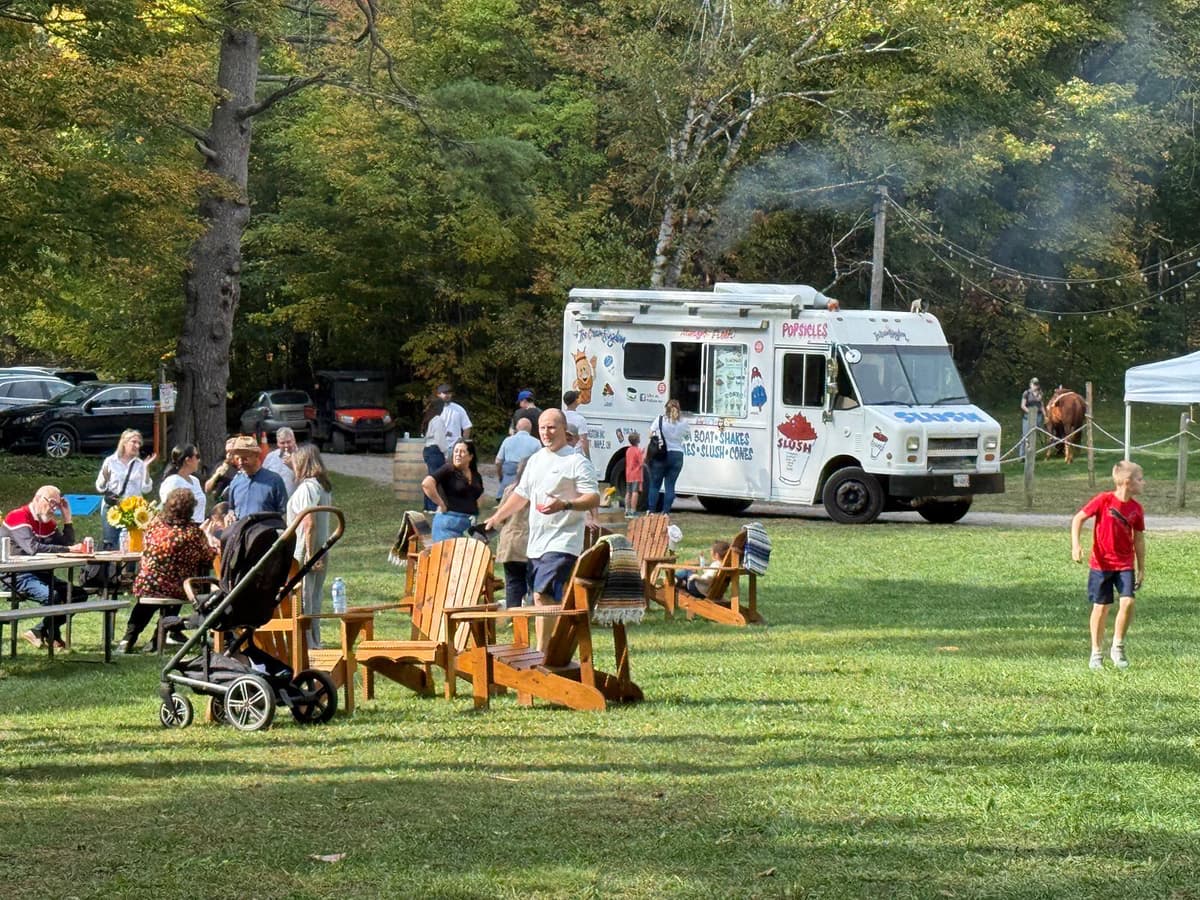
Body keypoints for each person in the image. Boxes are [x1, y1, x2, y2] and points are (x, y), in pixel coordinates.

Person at [483, 409, 600, 650]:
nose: (546, 432)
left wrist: (565, 504)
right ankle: (554, 651)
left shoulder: (576, 461)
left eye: (552, 427)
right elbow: (521, 495)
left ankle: (543, 654)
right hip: (535, 544)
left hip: (563, 542)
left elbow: (593, 497)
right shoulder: (536, 459)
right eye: (543, 428)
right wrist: (497, 517)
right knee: (545, 598)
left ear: (564, 429)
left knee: (542, 596)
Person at [121, 487, 217, 653]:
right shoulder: (193, 533)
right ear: (190, 509)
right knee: (182, 587)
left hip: (146, 585)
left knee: (146, 603)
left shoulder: (153, 527)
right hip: (175, 587)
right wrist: (209, 537)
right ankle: (158, 639)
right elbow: (208, 558)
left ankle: (127, 640)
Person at [1071, 460, 1146, 670]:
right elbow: (1078, 519)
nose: (1144, 483)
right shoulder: (1104, 500)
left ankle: (1118, 646)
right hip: (1101, 565)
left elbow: (1139, 539)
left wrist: (1141, 568)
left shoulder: (1137, 509)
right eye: (1140, 479)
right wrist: (1076, 546)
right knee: (1101, 607)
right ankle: (1096, 652)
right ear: (1127, 482)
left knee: (1128, 602)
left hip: (1125, 564)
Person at [0, 486, 85, 649]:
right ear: (38, 498)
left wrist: (67, 518)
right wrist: (68, 550)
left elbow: (66, 543)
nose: (54, 508)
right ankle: (51, 635)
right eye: (52, 503)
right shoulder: (18, 516)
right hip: (15, 575)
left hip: (40, 572)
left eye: (57, 505)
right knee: (53, 596)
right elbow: (32, 548)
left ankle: (39, 631)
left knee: (77, 594)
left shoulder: (47, 522)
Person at [286, 444, 333, 648]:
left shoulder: (307, 488)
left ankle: (306, 643)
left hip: (307, 548)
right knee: (314, 597)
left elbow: (309, 522)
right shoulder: (322, 486)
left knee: (303, 597)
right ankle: (315, 640)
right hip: (322, 546)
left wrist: (309, 555)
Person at [96, 429, 156, 550]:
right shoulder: (110, 461)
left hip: (133, 510)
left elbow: (146, 489)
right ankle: (111, 569)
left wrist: (146, 469)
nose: (137, 445)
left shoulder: (140, 464)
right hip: (113, 507)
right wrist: (105, 480)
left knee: (132, 544)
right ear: (124, 442)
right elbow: (100, 487)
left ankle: (128, 569)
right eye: (134, 442)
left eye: (139, 443)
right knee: (110, 544)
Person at [423, 439, 484, 542]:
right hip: (448, 524)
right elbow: (427, 484)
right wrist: (441, 504)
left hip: (469, 525)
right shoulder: (448, 469)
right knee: (448, 556)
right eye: (456, 451)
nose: (458, 454)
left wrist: (475, 511)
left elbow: (479, 495)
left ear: (470, 456)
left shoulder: (475, 475)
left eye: (462, 452)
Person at [495, 458, 533, 609]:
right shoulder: (538, 492)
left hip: (509, 544)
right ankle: (533, 614)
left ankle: (513, 616)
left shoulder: (510, 490)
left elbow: (500, 517)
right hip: (528, 543)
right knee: (533, 584)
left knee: (513, 584)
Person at [226, 434, 287, 518]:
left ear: (256, 456)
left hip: (267, 529)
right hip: (241, 530)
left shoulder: (274, 480)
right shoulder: (235, 482)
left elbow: (284, 512)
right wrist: (230, 514)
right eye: (238, 458)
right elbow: (231, 508)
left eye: (245, 458)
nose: (240, 462)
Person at [646, 399, 689, 515]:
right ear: (678, 409)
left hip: (662, 454)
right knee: (670, 485)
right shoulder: (684, 422)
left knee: (655, 484)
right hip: (677, 455)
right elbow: (687, 437)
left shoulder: (660, 420)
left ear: (666, 409)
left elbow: (650, 434)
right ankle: (666, 512)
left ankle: (651, 511)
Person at [494, 417, 540, 499]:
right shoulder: (536, 442)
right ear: (530, 429)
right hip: (526, 477)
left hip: (508, 477)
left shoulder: (507, 440)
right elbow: (539, 463)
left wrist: (501, 476)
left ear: (517, 428)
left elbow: (498, 461)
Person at [159, 444, 206, 523]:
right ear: (188, 460)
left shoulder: (195, 480)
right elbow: (169, 509)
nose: (199, 460)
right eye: (197, 456)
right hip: (181, 529)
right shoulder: (172, 482)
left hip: (199, 527)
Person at [420, 398, 447, 512]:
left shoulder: (428, 419)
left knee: (430, 477)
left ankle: (427, 505)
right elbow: (440, 439)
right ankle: (432, 506)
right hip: (436, 450)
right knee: (435, 479)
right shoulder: (437, 420)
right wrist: (445, 453)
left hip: (428, 449)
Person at [262, 426, 299, 497]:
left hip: (295, 501)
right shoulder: (271, 457)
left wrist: (293, 466)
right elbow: (263, 477)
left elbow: (308, 478)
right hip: (275, 501)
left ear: (294, 440)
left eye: (288, 442)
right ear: (277, 443)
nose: (286, 445)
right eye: (282, 443)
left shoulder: (303, 455)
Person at [436, 383, 472, 453]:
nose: (447, 395)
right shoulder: (434, 410)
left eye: (449, 393)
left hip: (454, 448)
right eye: (445, 393)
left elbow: (467, 427)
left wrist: (462, 444)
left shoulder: (458, 409)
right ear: (438, 395)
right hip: (437, 448)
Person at [204, 437, 240, 502]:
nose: (228, 455)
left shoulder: (243, 467)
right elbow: (207, 489)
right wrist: (217, 475)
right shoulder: (221, 465)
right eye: (227, 452)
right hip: (221, 503)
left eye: (231, 451)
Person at [1020, 377, 1044, 459]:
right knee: (1025, 435)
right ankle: (1022, 455)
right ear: (1030, 384)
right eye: (1034, 384)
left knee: (1034, 435)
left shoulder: (1040, 393)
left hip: (1038, 416)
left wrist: (1046, 415)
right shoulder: (1026, 393)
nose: (1035, 386)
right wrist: (1030, 412)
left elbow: (1041, 405)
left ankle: (1032, 454)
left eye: (1036, 384)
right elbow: (1023, 405)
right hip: (1028, 416)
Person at [562, 390, 590, 457]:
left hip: (562, 452)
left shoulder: (561, 415)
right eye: (578, 398)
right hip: (576, 454)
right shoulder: (580, 419)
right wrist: (588, 457)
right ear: (575, 401)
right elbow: (583, 440)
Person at [624, 432, 644, 518]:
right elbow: (641, 462)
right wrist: (644, 454)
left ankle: (627, 510)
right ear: (637, 440)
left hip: (628, 474)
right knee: (635, 493)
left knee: (628, 492)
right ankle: (633, 511)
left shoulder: (628, 450)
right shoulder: (638, 450)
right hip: (636, 474)